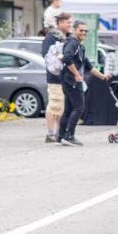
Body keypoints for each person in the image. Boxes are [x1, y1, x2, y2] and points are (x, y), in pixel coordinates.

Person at [59, 19, 111, 146]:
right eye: (81, 30)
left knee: (68, 110)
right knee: (79, 108)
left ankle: (61, 136)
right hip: (72, 81)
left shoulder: (80, 46)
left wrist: (103, 76)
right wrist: (76, 74)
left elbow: (88, 66)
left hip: (69, 81)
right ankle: (69, 136)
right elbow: (66, 58)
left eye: (85, 31)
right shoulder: (73, 43)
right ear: (74, 30)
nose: (83, 33)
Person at [41, 12, 72, 143]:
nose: (69, 25)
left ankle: (60, 133)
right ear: (59, 23)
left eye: (70, 22)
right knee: (54, 104)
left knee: (62, 106)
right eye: (67, 22)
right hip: (55, 78)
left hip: (65, 78)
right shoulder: (51, 37)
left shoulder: (68, 37)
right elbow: (46, 56)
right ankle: (50, 134)